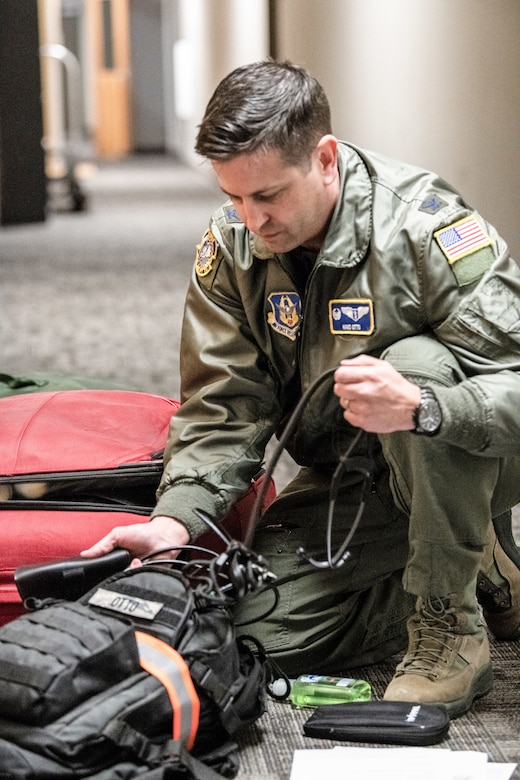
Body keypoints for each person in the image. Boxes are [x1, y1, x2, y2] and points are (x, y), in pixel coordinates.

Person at [82, 60, 520, 718]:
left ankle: (449, 624)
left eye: (268, 196)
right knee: (257, 635)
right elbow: (223, 406)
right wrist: (175, 520)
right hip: (351, 479)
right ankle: (472, 562)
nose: (251, 219)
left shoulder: (427, 234)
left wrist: (427, 408)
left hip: (465, 454)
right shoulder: (234, 247)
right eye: (233, 197)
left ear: (324, 158)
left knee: (417, 365)